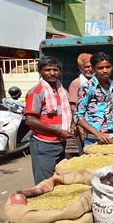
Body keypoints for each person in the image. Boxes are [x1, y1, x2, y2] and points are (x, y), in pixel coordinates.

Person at [25, 56, 73, 184]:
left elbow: (65, 114)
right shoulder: (37, 91)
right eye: (47, 70)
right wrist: (57, 131)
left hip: (60, 142)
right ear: (40, 71)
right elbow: (30, 119)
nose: (52, 73)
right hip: (43, 143)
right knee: (44, 182)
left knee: (57, 179)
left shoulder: (62, 91)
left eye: (55, 70)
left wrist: (71, 126)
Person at [74, 52, 113, 145]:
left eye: (108, 67)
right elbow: (77, 116)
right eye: (100, 68)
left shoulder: (112, 85)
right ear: (93, 68)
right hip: (93, 139)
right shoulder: (87, 87)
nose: (105, 70)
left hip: (112, 138)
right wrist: (98, 133)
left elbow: (110, 114)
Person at [68, 53, 93, 155]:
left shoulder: (97, 81)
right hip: (84, 124)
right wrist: (80, 127)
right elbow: (73, 108)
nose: (90, 69)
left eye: (92, 66)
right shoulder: (77, 83)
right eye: (87, 67)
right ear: (80, 67)